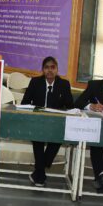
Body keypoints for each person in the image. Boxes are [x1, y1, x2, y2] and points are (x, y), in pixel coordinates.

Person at [21, 56, 75, 186]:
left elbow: (70, 106)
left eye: (52, 67)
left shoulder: (64, 84)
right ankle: (40, 174)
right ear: (42, 70)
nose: (49, 70)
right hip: (38, 121)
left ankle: (39, 170)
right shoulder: (35, 82)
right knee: (37, 140)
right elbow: (25, 103)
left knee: (58, 138)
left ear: (57, 69)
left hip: (56, 123)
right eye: (46, 67)